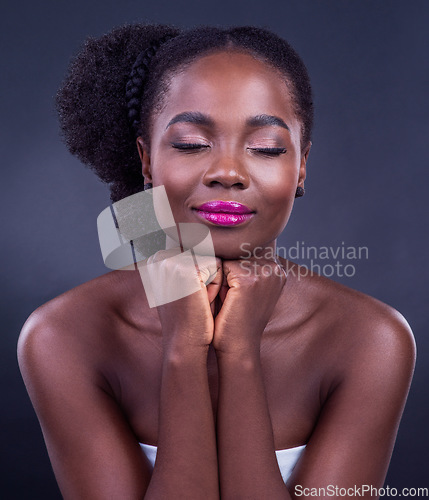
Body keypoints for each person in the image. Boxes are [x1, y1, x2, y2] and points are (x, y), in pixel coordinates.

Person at [18, 24, 415, 499]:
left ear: (301, 166)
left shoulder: (371, 340)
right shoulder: (63, 335)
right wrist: (183, 351)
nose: (227, 172)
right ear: (146, 161)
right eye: (190, 143)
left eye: (266, 148)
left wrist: (240, 355)